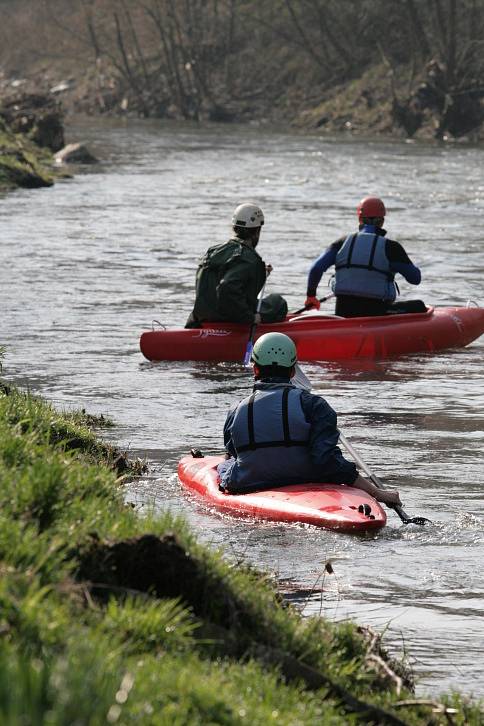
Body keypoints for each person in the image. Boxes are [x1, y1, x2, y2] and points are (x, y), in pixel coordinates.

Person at [217, 332, 401, 507]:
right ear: (292, 372)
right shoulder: (314, 405)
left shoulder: (236, 409)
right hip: (306, 478)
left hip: (249, 482)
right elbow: (326, 460)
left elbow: (234, 451)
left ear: (255, 369)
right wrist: (376, 493)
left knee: (225, 464)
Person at [304, 196, 425, 318]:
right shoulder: (392, 248)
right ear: (382, 221)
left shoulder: (341, 242)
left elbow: (316, 268)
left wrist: (311, 296)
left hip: (343, 310)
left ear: (360, 219)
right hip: (377, 312)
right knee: (419, 306)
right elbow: (415, 279)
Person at [185, 202, 287, 328]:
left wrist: (260, 273)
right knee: (278, 302)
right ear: (257, 231)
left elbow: (219, 281)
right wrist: (250, 318)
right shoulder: (250, 259)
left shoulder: (213, 251)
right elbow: (227, 286)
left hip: (201, 317)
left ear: (234, 227)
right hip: (231, 318)